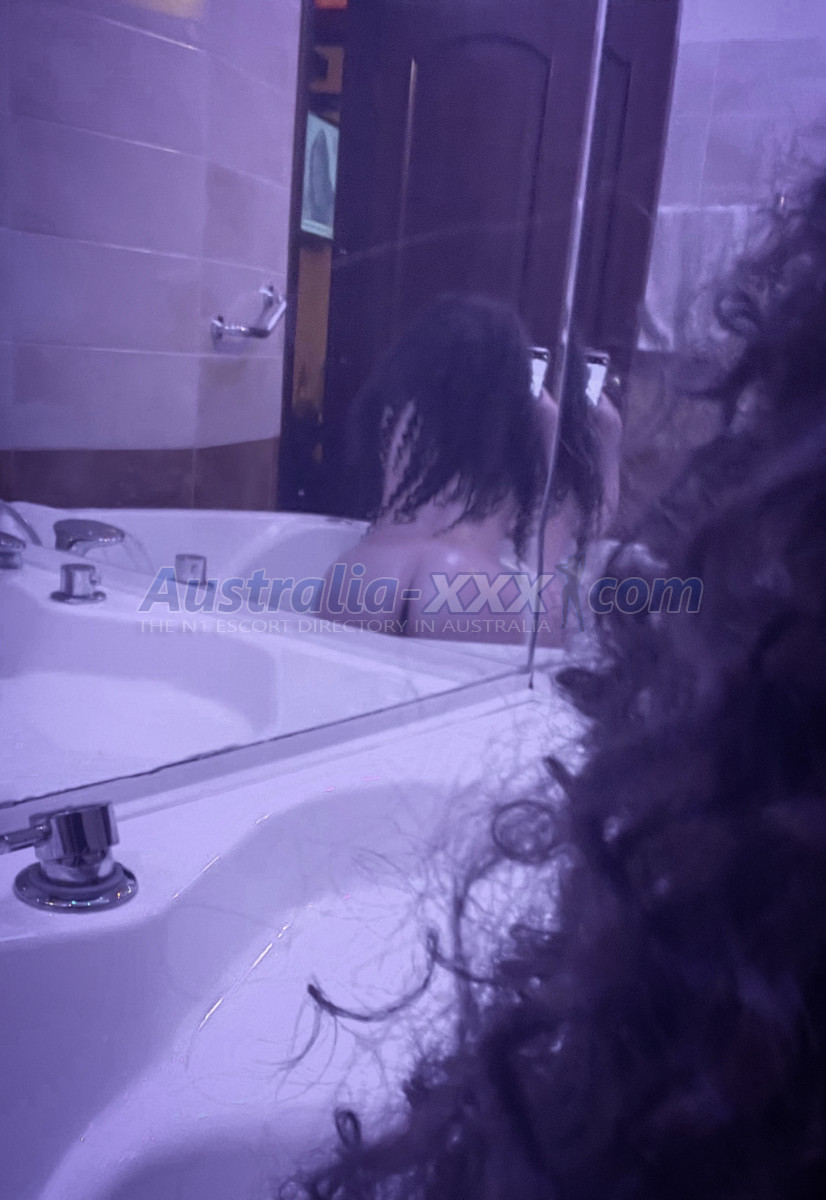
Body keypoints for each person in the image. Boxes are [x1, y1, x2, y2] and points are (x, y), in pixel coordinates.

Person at [290, 170, 826, 1197]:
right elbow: (567, 578)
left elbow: (417, 529)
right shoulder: (527, 479)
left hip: (371, 580)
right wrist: (581, 459)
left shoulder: (392, 477)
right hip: (479, 603)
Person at [319, 294, 622, 644]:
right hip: (474, 589)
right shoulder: (515, 438)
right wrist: (601, 440)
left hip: (363, 577)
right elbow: (578, 525)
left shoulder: (400, 420)